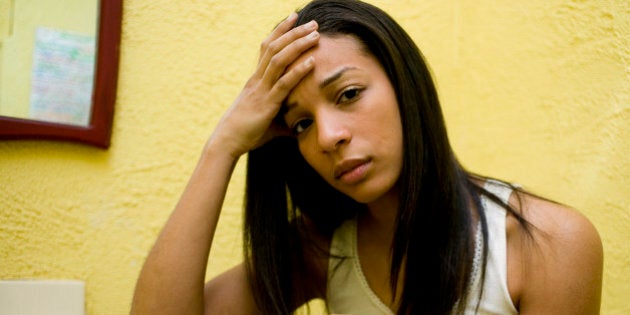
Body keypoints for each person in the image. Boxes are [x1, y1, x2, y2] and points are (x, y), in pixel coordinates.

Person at [131, 0, 603, 314]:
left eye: (349, 93)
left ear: (404, 84)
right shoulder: (323, 249)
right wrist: (222, 146)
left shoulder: (548, 244)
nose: (328, 137)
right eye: (301, 124)